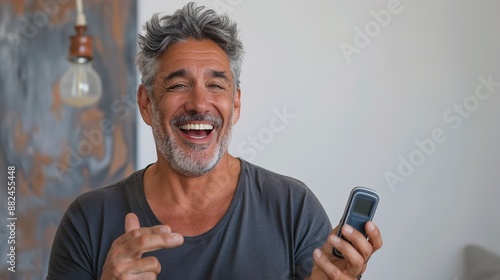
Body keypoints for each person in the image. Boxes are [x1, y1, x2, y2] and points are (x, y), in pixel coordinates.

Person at [47, 2, 382, 279]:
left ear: (235, 105)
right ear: (147, 104)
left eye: (216, 85)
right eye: (178, 85)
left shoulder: (293, 207)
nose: (199, 103)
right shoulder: (87, 220)